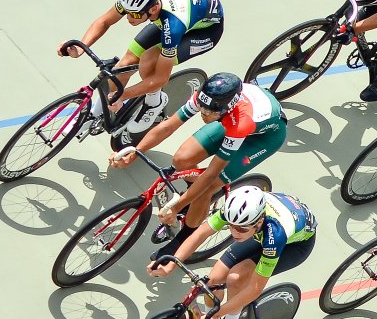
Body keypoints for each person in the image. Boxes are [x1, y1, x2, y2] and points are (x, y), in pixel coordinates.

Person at [109, 72, 286, 258]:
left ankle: (183, 238)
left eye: (209, 112)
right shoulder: (207, 99)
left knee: (208, 186)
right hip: (232, 118)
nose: (204, 115)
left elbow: (210, 174)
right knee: (181, 159)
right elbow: (168, 126)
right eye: (202, 109)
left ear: (226, 108)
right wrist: (134, 152)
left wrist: (176, 207)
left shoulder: (239, 123)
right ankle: (193, 199)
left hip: (264, 137)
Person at [148, 186, 316, 319]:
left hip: (294, 246)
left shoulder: (275, 235)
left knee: (236, 278)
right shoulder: (235, 212)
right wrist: (171, 264)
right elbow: (201, 234)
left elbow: (255, 288)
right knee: (213, 279)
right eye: (231, 226)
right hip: (265, 225)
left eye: (241, 229)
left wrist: (216, 314)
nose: (234, 233)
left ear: (259, 222)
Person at [58, 0, 225, 134]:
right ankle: (94, 115)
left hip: (205, 31)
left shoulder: (173, 24)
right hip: (184, 10)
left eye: (135, 15)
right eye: (127, 12)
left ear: (153, 8)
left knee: (148, 62)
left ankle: (154, 103)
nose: (129, 18)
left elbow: (161, 78)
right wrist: (80, 47)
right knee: (122, 66)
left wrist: (122, 95)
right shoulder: (136, 0)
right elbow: (105, 21)